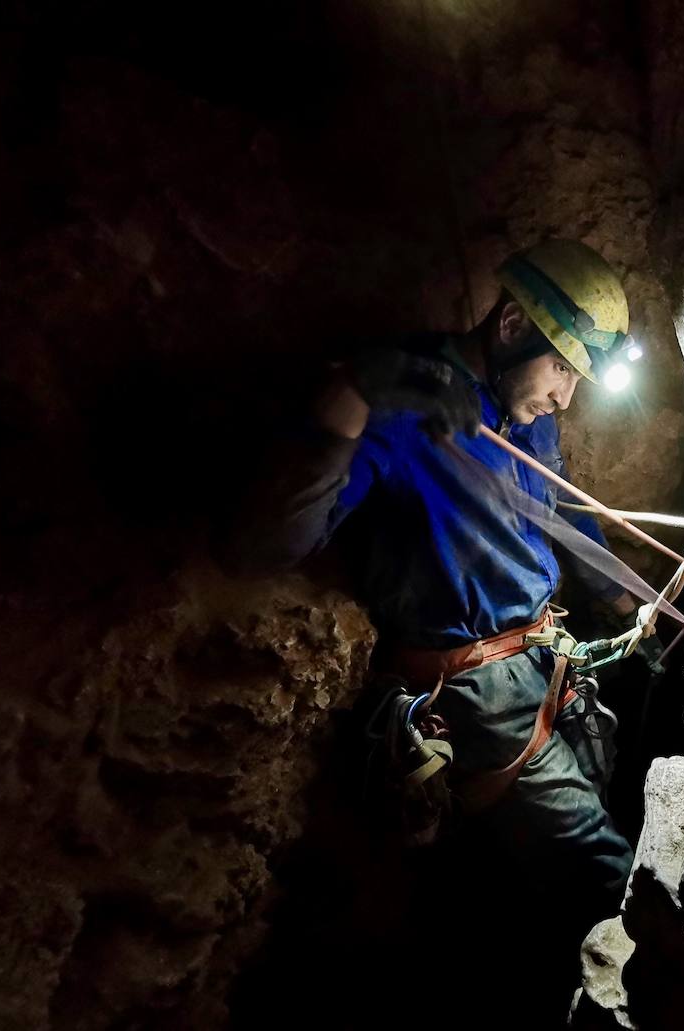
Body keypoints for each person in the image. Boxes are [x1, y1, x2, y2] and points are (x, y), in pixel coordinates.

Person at [222, 239, 645, 921]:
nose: (566, 396)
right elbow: (262, 549)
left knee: (604, 776)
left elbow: (557, 501)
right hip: (477, 689)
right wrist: (357, 391)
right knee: (606, 870)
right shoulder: (412, 402)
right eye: (562, 368)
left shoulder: (524, 417)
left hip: (546, 654)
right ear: (511, 326)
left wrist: (629, 599)